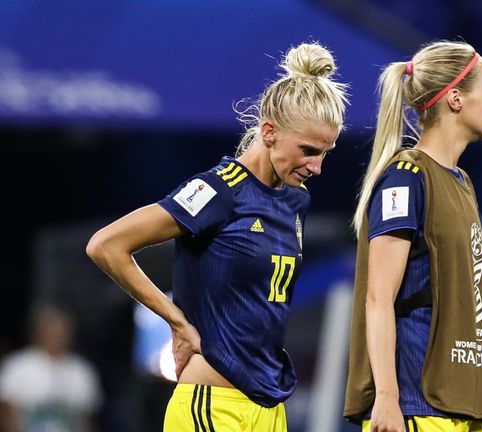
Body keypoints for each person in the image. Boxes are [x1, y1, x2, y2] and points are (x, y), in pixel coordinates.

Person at [86, 42, 348, 432]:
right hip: (212, 405)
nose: (317, 166)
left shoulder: (296, 201)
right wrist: (174, 319)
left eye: (325, 153)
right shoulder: (217, 191)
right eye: (308, 150)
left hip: (269, 408)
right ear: (269, 132)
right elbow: (106, 245)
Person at [344, 41, 482, 432]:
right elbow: (377, 297)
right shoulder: (406, 178)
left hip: (462, 408)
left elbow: (477, 315)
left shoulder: (462, 183)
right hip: (418, 408)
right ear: (454, 99)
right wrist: (386, 398)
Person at [0, 304, 102, 432]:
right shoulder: (17, 366)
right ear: (38, 330)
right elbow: (6, 415)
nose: (55, 334)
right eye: (50, 328)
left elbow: (85, 421)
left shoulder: (82, 371)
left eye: (60, 329)